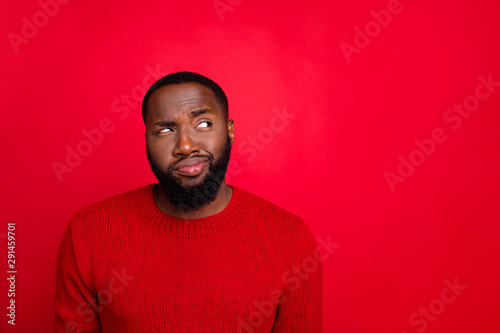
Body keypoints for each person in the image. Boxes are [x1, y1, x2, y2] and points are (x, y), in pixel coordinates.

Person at [54, 71, 323, 332]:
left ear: (229, 131)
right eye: (166, 129)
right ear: (146, 140)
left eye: (203, 124)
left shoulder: (290, 239)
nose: (185, 145)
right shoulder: (88, 233)